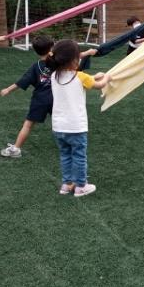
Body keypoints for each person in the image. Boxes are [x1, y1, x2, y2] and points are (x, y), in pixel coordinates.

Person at [0, 35, 97, 158]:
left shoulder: (36, 66)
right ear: (52, 48)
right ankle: (71, 143)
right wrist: (88, 52)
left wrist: (8, 89)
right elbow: (72, 56)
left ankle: (16, 148)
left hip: (40, 100)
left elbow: (22, 81)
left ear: (36, 51)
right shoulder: (59, 62)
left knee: (28, 125)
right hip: (58, 99)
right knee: (64, 121)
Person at [46, 39, 110, 197]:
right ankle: (81, 186)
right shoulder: (80, 77)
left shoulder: (54, 76)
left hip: (58, 127)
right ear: (74, 61)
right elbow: (99, 85)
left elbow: (82, 80)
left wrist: (95, 76)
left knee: (65, 155)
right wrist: (107, 78)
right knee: (79, 156)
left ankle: (67, 184)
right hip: (75, 127)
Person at [126, 15, 144, 82]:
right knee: (130, 64)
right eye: (136, 22)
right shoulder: (132, 32)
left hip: (141, 49)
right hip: (132, 50)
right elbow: (136, 41)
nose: (138, 23)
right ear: (132, 25)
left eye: (138, 22)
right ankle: (129, 76)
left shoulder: (142, 30)